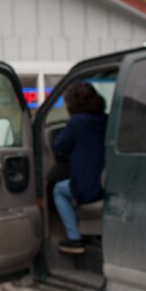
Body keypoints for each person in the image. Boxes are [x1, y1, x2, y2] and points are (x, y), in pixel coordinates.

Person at [52, 82, 107, 255]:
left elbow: (59, 145)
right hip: (105, 183)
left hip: (88, 188)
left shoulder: (77, 123)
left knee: (58, 190)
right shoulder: (105, 119)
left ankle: (74, 239)